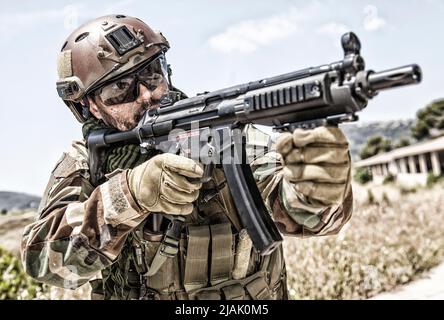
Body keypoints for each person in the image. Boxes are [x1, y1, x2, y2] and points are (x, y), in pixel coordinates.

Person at [21, 15, 353, 300]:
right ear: (87, 105)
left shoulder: (220, 133)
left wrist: (318, 190)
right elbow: (43, 262)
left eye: (152, 73)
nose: (147, 94)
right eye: (119, 89)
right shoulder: (86, 162)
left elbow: (306, 213)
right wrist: (130, 195)